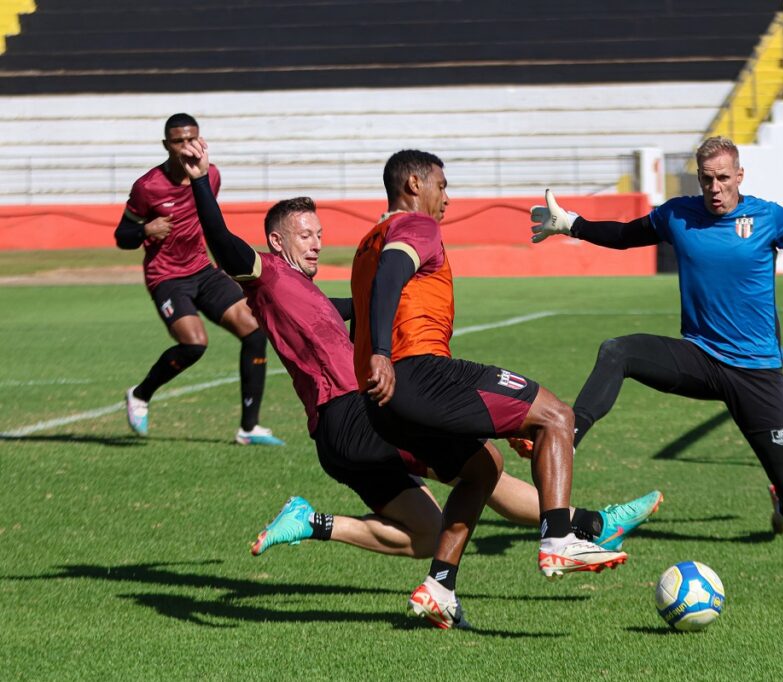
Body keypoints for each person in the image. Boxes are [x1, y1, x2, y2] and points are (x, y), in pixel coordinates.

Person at [178, 140, 661, 630]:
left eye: (319, 233)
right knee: (516, 444)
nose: (317, 243)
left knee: (457, 499)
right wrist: (199, 180)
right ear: (277, 243)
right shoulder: (268, 274)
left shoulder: (313, 290)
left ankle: (408, 570)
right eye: (304, 235)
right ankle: (579, 527)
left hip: (341, 429)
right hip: (358, 411)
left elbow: (366, 299)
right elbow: (221, 238)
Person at [528, 136, 783, 536]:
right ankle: (568, 436)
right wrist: (572, 224)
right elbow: (625, 235)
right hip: (701, 359)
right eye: (706, 179)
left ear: (740, 175)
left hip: (756, 373)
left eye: (723, 179)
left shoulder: (769, 218)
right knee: (617, 351)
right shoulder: (677, 215)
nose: (715, 188)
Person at [350, 149, 647, 592]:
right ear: (414, 185)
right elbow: (395, 273)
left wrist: (496, 415)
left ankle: (438, 587)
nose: (446, 197)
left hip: (382, 405)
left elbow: (367, 305)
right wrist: (380, 352)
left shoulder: (368, 242)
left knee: (482, 469)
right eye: (442, 185)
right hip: (416, 372)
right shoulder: (416, 226)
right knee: (557, 415)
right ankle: (559, 538)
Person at [114, 113, 282, 446]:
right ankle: (140, 394)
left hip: (203, 269)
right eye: (178, 141)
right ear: (167, 146)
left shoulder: (211, 175)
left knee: (254, 330)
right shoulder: (147, 187)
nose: (187, 146)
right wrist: (146, 229)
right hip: (167, 277)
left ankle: (249, 429)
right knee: (194, 344)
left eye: (192, 139)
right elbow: (122, 235)